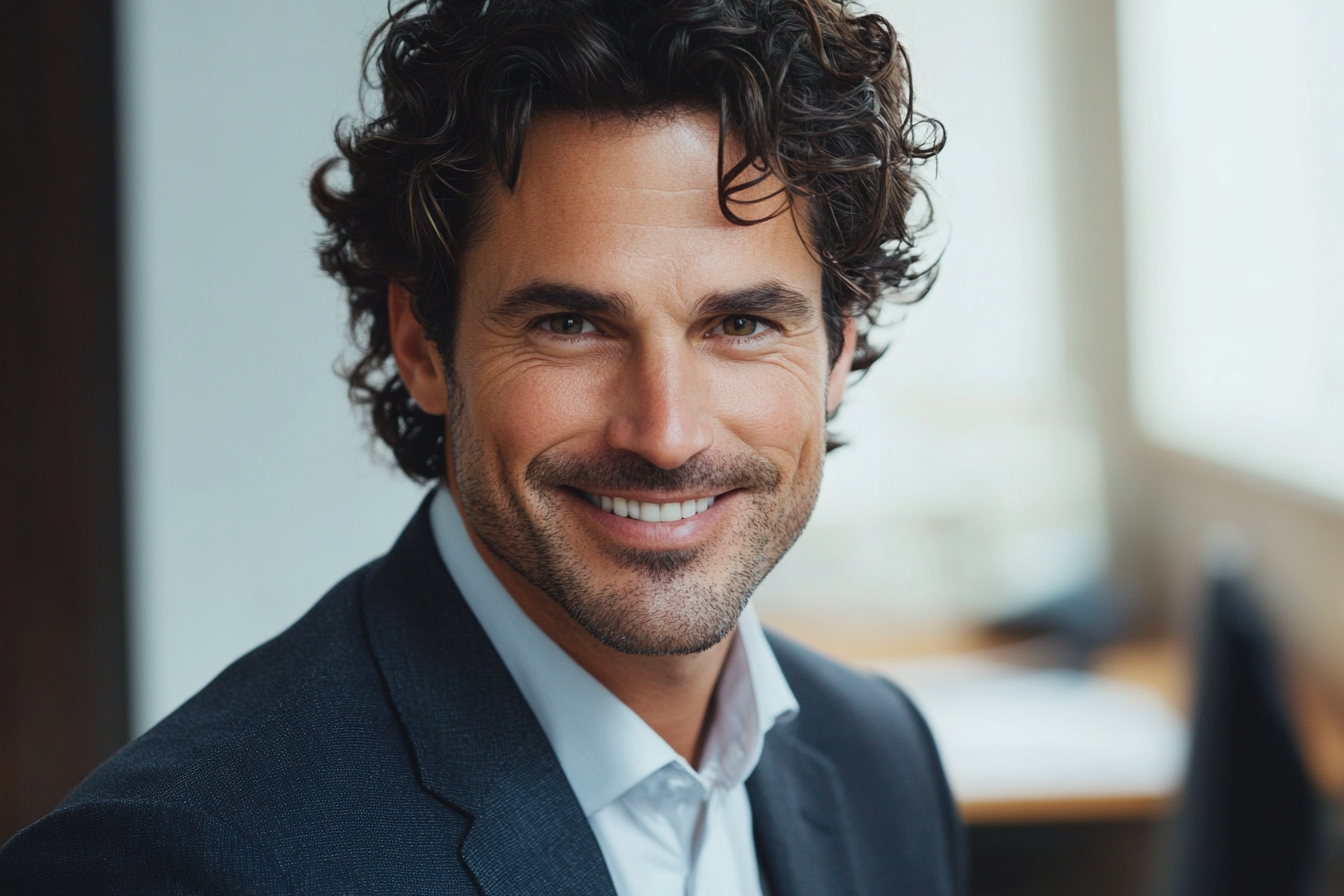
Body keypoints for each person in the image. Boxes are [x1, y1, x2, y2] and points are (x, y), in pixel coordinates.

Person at [0, 0, 961, 892]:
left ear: (839, 346)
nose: (666, 434)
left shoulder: (884, 762)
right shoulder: (171, 859)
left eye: (742, 324)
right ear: (421, 346)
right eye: (570, 325)